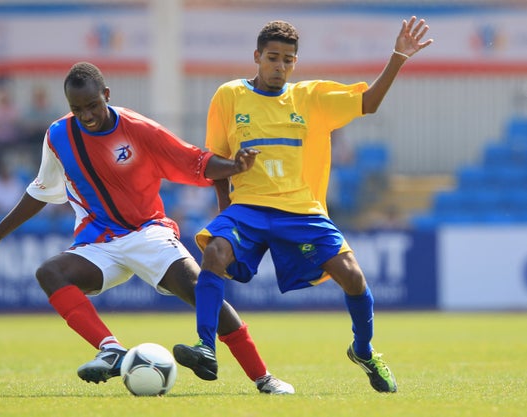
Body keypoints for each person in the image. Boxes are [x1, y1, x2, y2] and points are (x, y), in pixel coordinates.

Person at [0, 62, 294, 395]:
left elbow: (194, 162)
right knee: (50, 273)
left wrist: (234, 165)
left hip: (149, 232)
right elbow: (41, 190)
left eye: (92, 105)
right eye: (77, 107)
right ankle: (111, 350)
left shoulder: (138, 129)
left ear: (107, 94)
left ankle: (263, 377)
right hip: (99, 241)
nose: (86, 115)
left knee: (200, 288)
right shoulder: (58, 135)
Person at [173, 17, 433, 393]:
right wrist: (224, 211)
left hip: (302, 210)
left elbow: (369, 103)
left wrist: (397, 57)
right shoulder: (229, 96)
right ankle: (206, 347)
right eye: (273, 57)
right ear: (257, 56)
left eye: (288, 60)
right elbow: (218, 162)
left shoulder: (311, 98)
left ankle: (363, 349)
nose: (280, 66)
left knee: (353, 277)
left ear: (295, 62)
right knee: (214, 252)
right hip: (247, 208)